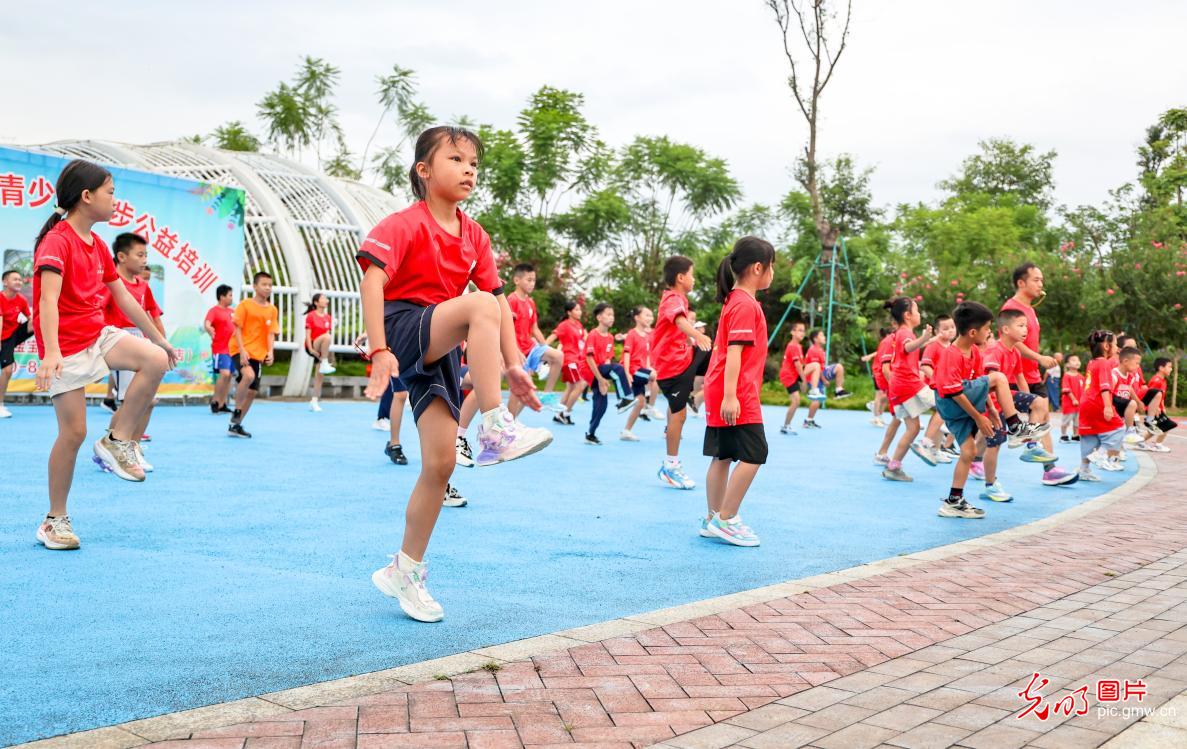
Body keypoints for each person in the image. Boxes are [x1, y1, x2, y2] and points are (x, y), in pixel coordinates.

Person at [358, 125, 551, 623]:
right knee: (478, 303)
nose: (468, 169)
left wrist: (513, 365)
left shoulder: (475, 234)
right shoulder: (403, 224)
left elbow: (500, 304)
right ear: (423, 170)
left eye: (473, 163)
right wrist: (379, 348)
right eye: (456, 159)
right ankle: (492, 426)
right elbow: (373, 280)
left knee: (440, 465)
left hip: (439, 343)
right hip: (406, 326)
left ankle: (404, 569)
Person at [31, 159, 176, 550]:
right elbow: (46, 300)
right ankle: (54, 520)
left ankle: (117, 439)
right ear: (87, 196)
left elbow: (124, 298)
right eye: (111, 192)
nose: (116, 199)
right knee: (74, 433)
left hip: (96, 335)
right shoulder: (57, 241)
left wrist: (158, 339)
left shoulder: (96, 245)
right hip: (65, 347)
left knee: (155, 361)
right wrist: (52, 353)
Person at [932, 302, 1045, 518]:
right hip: (952, 402)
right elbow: (955, 392)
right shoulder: (951, 354)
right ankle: (1015, 425)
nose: (989, 332)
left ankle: (953, 501)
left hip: (960, 404)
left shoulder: (974, 351)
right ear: (973, 332)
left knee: (968, 451)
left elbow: (980, 386)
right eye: (986, 329)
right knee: (999, 377)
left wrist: (991, 410)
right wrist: (979, 417)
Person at [701, 237, 775, 546]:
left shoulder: (735, 299)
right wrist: (731, 396)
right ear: (758, 267)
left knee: (723, 454)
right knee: (756, 453)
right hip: (736, 391)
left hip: (720, 387)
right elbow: (735, 353)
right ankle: (727, 518)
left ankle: (713, 518)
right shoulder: (746, 304)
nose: (773, 273)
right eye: (772, 267)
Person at [101, 233, 165, 468]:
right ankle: (111, 448)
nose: (144, 260)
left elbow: (154, 317)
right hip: (120, 342)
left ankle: (131, 450)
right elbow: (97, 314)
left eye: (146, 255)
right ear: (121, 256)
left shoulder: (143, 286)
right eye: (140, 255)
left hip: (143, 343)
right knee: (132, 402)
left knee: (148, 401)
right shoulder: (111, 283)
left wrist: (163, 344)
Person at [653, 255, 712, 490]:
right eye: (692, 274)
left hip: (680, 361)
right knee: (679, 416)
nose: (694, 279)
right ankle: (670, 465)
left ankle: (697, 394)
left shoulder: (680, 298)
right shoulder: (673, 298)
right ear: (680, 277)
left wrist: (690, 340)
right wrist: (697, 335)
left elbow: (676, 330)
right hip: (672, 367)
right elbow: (678, 321)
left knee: (677, 414)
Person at [880, 297, 934, 482]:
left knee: (913, 428)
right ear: (908, 315)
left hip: (899, 386)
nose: (919, 314)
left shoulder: (903, 333)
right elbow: (909, 347)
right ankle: (925, 443)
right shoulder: (905, 333)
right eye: (917, 311)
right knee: (944, 402)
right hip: (907, 384)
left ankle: (894, 467)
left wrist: (927, 340)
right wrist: (924, 338)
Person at [506, 263, 564, 414]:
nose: (532, 283)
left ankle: (547, 395)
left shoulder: (530, 302)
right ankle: (510, 425)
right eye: (528, 280)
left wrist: (545, 348)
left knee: (557, 356)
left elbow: (534, 328)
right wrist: (516, 351)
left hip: (530, 349)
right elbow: (506, 329)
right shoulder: (511, 300)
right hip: (516, 351)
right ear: (517, 280)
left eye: (533, 280)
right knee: (521, 391)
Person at [227, 271, 279, 438]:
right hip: (239, 349)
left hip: (259, 354)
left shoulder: (272, 309)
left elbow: (271, 333)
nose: (267, 288)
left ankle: (236, 425)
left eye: (270, 285)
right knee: (248, 376)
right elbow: (238, 328)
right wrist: (242, 350)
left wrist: (270, 351)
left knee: (252, 392)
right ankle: (236, 410)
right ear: (255, 286)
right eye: (264, 284)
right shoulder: (245, 305)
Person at [1077, 330, 1126, 479]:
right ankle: (1101, 453)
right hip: (1097, 402)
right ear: (1106, 346)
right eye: (1116, 344)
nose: (1117, 348)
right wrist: (1107, 406)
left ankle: (1084, 470)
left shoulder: (1092, 362)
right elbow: (1105, 386)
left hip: (1085, 403)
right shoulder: (1104, 363)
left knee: (1089, 437)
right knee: (1119, 428)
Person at [583, 303, 632, 445]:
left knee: (601, 405)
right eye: (608, 314)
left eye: (613, 315)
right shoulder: (593, 334)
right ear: (599, 317)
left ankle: (590, 434)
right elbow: (589, 358)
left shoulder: (610, 337)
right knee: (619, 368)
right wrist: (599, 378)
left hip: (602, 371)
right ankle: (624, 398)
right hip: (591, 372)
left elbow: (607, 359)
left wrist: (606, 379)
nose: (612, 317)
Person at [917, 314, 956, 464]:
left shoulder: (953, 347)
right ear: (937, 331)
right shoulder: (933, 346)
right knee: (942, 413)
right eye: (945, 329)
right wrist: (938, 380)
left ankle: (936, 450)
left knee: (940, 417)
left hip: (946, 387)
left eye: (952, 327)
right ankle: (925, 443)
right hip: (934, 387)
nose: (950, 331)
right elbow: (925, 366)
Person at [548, 300, 589, 426]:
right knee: (580, 385)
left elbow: (584, 341)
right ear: (569, 312)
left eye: (580, 309)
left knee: (571, 387)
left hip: (577, 359)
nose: (579, 312)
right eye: (576, 309)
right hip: (569, 360)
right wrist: (542, 350)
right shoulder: (564, 325)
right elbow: (552, 337)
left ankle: (558, 414)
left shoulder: (579, 325)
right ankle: (565, 413)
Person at [0, 269, 34, 418]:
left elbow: (31, 319)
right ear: (5, 282)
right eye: (15, 279)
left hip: (11, 336)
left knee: (37, 320)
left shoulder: (21, 300)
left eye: (20, 280)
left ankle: (0, 404)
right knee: (7, 370)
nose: (19, 282)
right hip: (1, 334)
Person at [620, 305, 654, 441]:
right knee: (656, 376)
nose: (649, 318)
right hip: (633, 370)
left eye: (651, 315)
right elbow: (626, 354)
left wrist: (649, 369)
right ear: (637, 317)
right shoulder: (632, 334)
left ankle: (626, 431)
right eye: (646, 315)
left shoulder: (646, 336)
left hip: (641, 370)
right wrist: (627, 372)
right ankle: (650, 407)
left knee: (639, 402)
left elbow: (646, 357)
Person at [203, 284, 235, 414]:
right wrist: (209, 329)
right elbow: (207, 323)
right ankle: (215, 401)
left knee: (229, 376)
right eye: (230, 295)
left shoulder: (232, 312)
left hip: (232, 349)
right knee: (224, 374)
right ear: (222, 297)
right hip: (220, 349)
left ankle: (222, 403)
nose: (232, 298)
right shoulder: (214, 311)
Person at [304, 293, 335, 412]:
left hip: (322, 349)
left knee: (320, 375)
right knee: (327, 336)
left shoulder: (328, 317)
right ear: (316, 303)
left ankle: (314, 401)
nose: (326, 300)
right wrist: (311, 349)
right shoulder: (311, 316)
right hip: (312, 344)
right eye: (323, 299)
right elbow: (307, 334)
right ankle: (325, 362)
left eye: (326, 298)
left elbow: (327, 342)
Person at [803, 328, 852, 404]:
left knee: (839, 367)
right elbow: (816, 369)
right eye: (822, 335)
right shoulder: (813, 350)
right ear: (815, 339)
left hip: (822, 373)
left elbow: (821, 368)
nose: (824, 337)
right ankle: (810, 414)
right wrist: (824, 380)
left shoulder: (820, 350)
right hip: (814, 378)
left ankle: (838, 390)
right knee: (816, 402)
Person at [1138, 357, 1176, 452]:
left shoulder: (1163, 381)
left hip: (1159, 409)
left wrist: (1163, 407)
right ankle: (1158, 445)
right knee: (1166, 425)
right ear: (1161, 368)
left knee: (1154, 429)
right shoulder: (1156, 380)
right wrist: (1155, 408)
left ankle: (1141, 442)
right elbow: (1151, 396)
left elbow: (1161, 397)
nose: (1171, 369)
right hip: (1154, 410)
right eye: (1169, 366)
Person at [778, 321, 807, 434]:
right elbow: (798, 365)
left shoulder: (798, 346)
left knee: (796, 401)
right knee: (796, 401)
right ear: (792, 332)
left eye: (803, 331)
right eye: (799, 330)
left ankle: (786, 425)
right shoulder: (793, 346)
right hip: (788, 376)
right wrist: (804, 381)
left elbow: (802, 365)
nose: (802, 333)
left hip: (792, 375)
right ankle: (786, 426)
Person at [1060, 355, 1085, 443]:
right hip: (1069, 404)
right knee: (1066, 420)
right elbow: (1067, 389)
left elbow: (1084, 389)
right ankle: (1063, 435)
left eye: (1078, 360)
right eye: (1074, 360)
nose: (1077, 362)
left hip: (1079, 404)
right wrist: (1073, 399)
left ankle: (1075, 435)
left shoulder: (1081, 377)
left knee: (1077, 421)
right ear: (1067, 364)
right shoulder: (1067, 376)